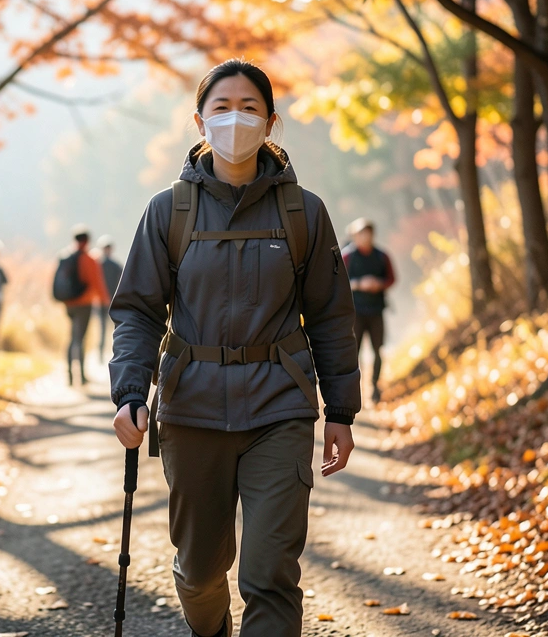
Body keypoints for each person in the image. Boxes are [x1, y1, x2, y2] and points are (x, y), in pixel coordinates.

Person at [109, 59, 361, 637]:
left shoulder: (304, 211)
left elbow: (330, 317)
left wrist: (340, 412)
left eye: (250, 108)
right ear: (199, 122)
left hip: (281, 406)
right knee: (199, 573)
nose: (236, 119)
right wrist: (129, 391)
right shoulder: (167, 210)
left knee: (269, 574)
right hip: (191, 407)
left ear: (271, 122)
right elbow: (138, 311)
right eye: (222, 108)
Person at [342, 217, 395, 405]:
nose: (365, 237)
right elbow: (336, 282)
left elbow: (391, 279)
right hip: (354, 313)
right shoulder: (346, 257)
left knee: (377, 350)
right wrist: (358, 284)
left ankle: (375, 387)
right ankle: (354, 391)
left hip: (376, 311)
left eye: (368, 233)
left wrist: (378, 285)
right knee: (353, 353)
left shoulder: (382, 256)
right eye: (361, 234)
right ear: (354, 235)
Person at [62, 225, 110, 386]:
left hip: (69, 303)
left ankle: (69, 373)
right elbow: (98, 283)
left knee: (72, 337)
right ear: (87, 240)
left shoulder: (64, 256)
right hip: (84, 303)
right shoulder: (89, 259)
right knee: (80, 338)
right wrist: (106, 301)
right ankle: (80, 375)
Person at [95, 234, 123, 359]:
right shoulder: (116, 266)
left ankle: (106, 353)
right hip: (109, 301)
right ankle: (108, 354)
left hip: (105, 301)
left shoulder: (97, 264)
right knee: (111, 329)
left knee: (105, 329)